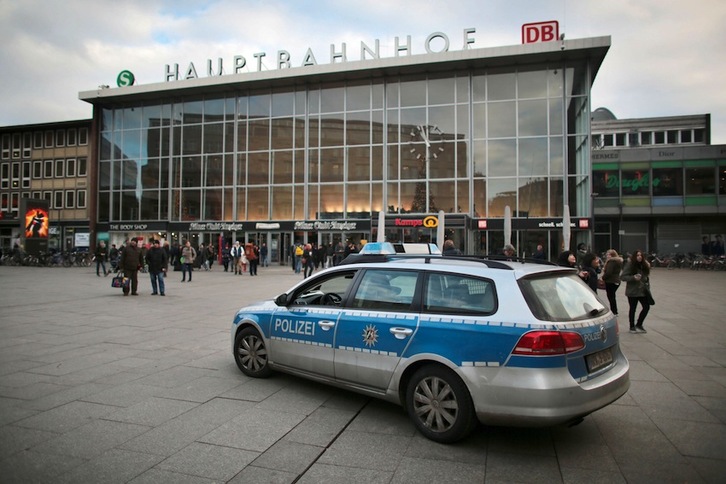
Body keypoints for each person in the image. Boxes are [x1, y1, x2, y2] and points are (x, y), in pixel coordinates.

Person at [620, 250, 651, 334]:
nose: (639, 257)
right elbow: (623, 277)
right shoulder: (630, 265)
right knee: (633, 309)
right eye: (637, 255)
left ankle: (639, 324)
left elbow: (646, 278)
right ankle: (632, 326)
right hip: (632, 291)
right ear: (634, 256)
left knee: (646, 307)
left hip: (642, 291)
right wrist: (633, 277)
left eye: (641, 255)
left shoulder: (644, 265)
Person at [602, 249, 624, 315]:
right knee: (612, 296)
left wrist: (603, 278)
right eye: (607, 254)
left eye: (609, 255)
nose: (607, 256)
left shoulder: (611, 262)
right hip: (616, 280)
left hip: (610, 281)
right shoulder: (618, 261)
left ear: (612, 255)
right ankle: (614, 310)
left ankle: (614, 311)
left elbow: (609, 272)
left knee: (611, 296)